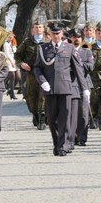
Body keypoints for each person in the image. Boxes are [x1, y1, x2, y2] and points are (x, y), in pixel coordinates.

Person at [34, 21, 88, 156]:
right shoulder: (43, 48)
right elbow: (37, 68)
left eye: (58, 33)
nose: (56, 35)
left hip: (65, 88)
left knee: (65, 117)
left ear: (62, 34)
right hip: (50, 88)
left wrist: (84, 87)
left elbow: (78, 69)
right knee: (52, 120)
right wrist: (43, 81)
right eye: (53, 33)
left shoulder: (69, 48)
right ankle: (56, 142)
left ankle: (62, 145)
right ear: (49, 35)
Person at [15, 21, 49, 129]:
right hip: (31, 73)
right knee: (31, 96)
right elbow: (18, 56)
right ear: (33, 29)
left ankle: (42, 118)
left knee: (43, 95)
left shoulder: (48, 42)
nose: (38, 29)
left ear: (43, 29)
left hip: (44, 74)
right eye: (36, 27)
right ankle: (35, 114)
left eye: (40, 27)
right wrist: (21, 64)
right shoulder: (27, 42)